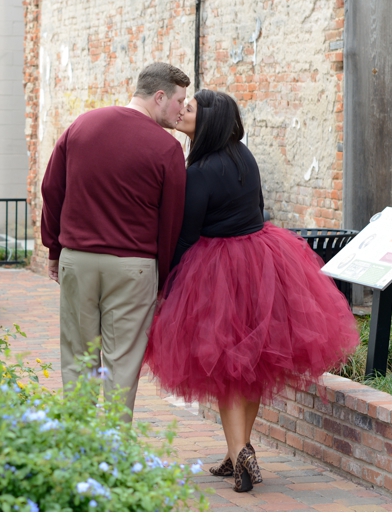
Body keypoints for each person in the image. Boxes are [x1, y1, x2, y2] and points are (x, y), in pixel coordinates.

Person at [143, 89, 359, 492]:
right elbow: (258, 206)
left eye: (189, 109)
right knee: (251, 367)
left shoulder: (200, 171)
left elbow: (188, 235)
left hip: (218, 270)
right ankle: (235, 450)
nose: (181, 112)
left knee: (228, 369)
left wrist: (169, 284)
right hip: (263, 259)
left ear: (207, 120)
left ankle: (240, 450)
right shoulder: (245, 156)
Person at [40, 62, 190, 420]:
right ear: (159, 96)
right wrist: (164, 277)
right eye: (179, 100)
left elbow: (51, 189)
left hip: (79, 257)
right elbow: (171, 222)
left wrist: (54, 249)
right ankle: (114, 452)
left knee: (78, 356)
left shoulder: (82, 126)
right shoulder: (167, 149)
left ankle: (79, 443)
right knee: (122, 362)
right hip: (133, 267)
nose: (182, 110)